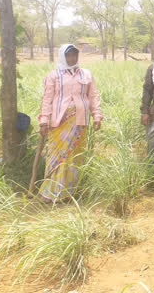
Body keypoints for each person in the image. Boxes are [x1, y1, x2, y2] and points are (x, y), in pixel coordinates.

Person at [37, 44, 103, 202]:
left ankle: (68, 193)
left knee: (74, 156)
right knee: (56, 155)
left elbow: (93, 95)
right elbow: (47, 99)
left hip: (79, 123)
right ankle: (51, 192)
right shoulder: (54, 76)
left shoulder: (86, 74)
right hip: (59, 123)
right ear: (62, 57)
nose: (72, 58)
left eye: (74, 55)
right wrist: (44, 120)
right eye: (69, 55)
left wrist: (97, 115)